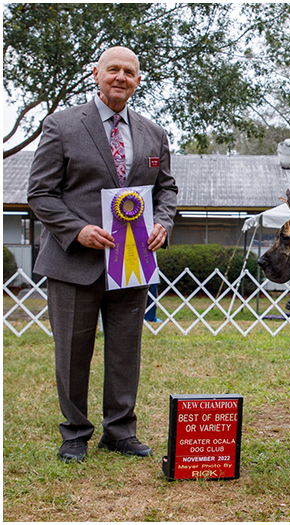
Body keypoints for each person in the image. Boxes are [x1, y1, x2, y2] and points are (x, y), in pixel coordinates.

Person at [27, 46, 178, 462]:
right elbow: (39, 193)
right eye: (113, 69)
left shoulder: (153, 133)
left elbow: (167, 190)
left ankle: (120, 431)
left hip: (132, 264)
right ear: (96, 74)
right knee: (73, 353)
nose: (121, 77)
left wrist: (163, 223)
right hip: (74, 263)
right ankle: (75, 433)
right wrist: (78, 230)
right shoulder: (60, 125)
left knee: (126, 351)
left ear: (138, 81)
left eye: (129, 72)